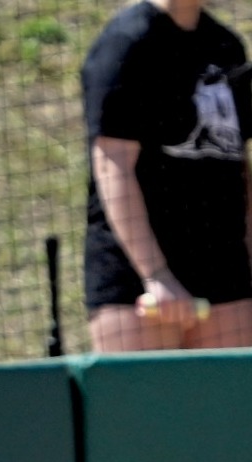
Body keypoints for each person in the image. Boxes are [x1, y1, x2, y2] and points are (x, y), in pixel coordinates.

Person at [82, 0, 252, 351]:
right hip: (139, 288)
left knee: (228, 405)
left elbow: (237, 164)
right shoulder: (128, 41)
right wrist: (156, 276)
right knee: (145, 405)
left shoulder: (226, 46)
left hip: (224, 274)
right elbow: (112, 165)